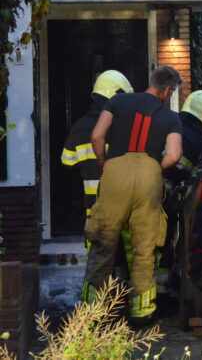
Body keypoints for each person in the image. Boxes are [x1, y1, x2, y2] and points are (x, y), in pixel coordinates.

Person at [82, 66, 183, 326]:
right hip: (149, 178)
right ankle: (142, 313)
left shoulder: (118, 101)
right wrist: (153, 168)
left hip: (115, 174)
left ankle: (92, 313)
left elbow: (97, 135)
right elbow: (173, 155)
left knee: (103, 243)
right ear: (168, 90)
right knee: (144, 248)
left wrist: (105, 162)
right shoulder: (171, 118)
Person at [62, 70, 135, 280]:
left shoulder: (78, 127)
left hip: (92, 207)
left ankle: (95, 307)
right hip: (121, 203)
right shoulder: (120, 126)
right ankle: (119, 298)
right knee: (120, 255)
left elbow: (66, 162)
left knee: (96, 261)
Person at [160, 90, 202, 294]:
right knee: (164, 244)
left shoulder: (169, 124)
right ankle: (162, 291)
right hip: (167, 200)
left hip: (143, 190)